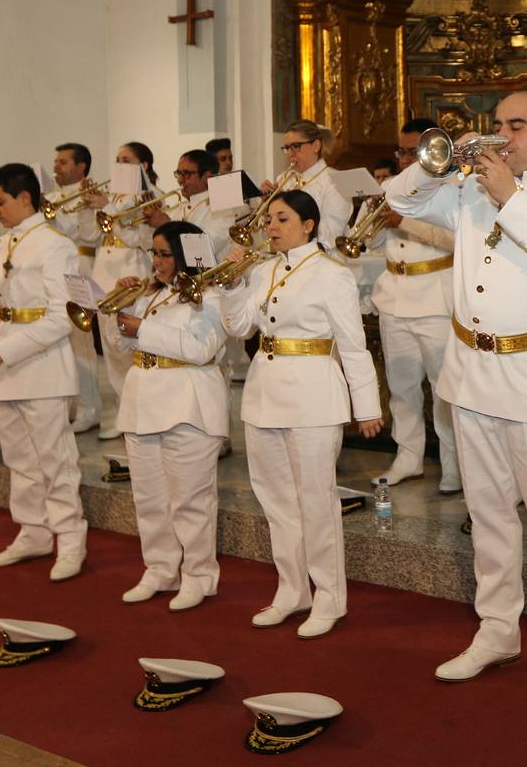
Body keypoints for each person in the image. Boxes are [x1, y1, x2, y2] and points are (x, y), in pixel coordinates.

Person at [387, 91, 527, 705]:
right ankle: (497, 630)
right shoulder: (469, 188)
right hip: (471, 371)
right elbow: (397, 200)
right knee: (487, 512)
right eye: (497, 125)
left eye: (517, 125)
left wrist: (510, 195)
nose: (503, 135)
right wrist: (439, 162)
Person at [224, 190, 383, 639]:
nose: (271, 227)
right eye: (269, 219)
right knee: (276, 501)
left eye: (282, 219)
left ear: (308, 225)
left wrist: (366, 406)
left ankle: (329, 598)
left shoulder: (332, 274)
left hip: (314, 395)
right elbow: (238, 327)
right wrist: (231, 285)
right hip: (264, 394)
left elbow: (353, 345)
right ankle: (292, 591)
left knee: (316, 501)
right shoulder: (263, 270)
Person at [0, 164, 88, 581]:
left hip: (41, 366)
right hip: (5, 367)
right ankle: (33, 532)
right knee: (19, 458)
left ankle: (70, 540)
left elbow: (62, 317)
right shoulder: (2, 243)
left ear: (24, 198)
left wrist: (4, 351)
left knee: (55, 458)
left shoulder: (56, 245)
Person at [108, 220, 228, 611]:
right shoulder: (152, 294)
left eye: (164, 254)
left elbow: (201, 348)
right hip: (142, 404)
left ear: (185, 256)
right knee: (149, 499)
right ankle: (160, 569)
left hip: (188, 404)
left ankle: (198, 575)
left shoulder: (211, 294)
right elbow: (120, 346)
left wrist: (142, 328)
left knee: (191, 501)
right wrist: (121, 307)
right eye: (154, 253)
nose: (156, 262)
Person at [369, 117, 460, 494]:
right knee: (401, 385)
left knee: (443, 389)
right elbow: (370, 244)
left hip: (435, 296)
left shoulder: (452, 185)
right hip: (395, 296)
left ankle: (453, 462)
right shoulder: (390, 188)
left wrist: (405, 221)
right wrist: (372, 216)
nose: (406, 159)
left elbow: (457, 240)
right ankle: (408, 456)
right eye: (402, 152)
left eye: (413, 152)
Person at [77, 142, 157, 441]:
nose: (120, 164)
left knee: (131, 350)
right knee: (110, 351)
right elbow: (89, 235)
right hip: (104, 274)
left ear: (143, 165)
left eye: (127, 160)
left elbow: (141, 238)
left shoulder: (152, 196)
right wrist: (88, 207)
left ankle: (140, 415)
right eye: (117, 159)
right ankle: (123, 415)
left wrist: (107, 207)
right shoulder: (111, 196)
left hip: (133, 271)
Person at [47, 142, 103, 434]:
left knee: (82, 345)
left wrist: (83, 206)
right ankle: (65, 404)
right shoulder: (50, 198)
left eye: (63, 162)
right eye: (56, 162)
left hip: (81, 268)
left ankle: (89, 409)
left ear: (81, 167)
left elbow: (89, 236)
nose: (56, 166)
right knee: (57, 342)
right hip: (53, 272)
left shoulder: (93, 195)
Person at [272, 120, 351, 252]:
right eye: (287, 148)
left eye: (296, 146)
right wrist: (269, 208)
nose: (290, 153)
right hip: (288, 257)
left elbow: (330, 235)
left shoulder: (334, 181)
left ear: (316, 146)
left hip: (323, 258)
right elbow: (270, 235)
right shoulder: (283, 180)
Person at [150, 149, 237, 260]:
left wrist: (167, 226)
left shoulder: (222, 207)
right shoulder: (178, 208)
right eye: (179, 174)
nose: (180, 180)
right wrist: (148, 222)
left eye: (186, 174)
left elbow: (205, 249)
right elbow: (150, 247)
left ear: (206, 177)